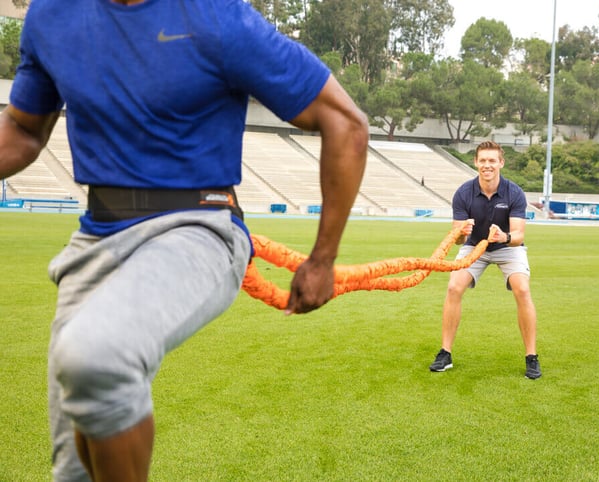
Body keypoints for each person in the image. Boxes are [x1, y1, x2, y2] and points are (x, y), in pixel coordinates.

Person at [0, 1, 368, 480]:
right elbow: (24, 128)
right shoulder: (53, 15)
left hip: (199, 227)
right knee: (74, 472)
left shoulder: (216, 16)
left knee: (95, 355)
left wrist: (322, 260)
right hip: (96, 236)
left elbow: (346, 121)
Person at [428, 140, 541, 379]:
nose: (487, 165)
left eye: (492, 160)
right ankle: (445, 353)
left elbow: (519, 236)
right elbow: (456, 239)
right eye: (482, 161)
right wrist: (461, 233)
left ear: (501, 162)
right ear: (476, 162)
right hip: (473, 246)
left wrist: (503, 236)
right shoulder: (463, 193)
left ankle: (531, 357)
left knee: (522, 289)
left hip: (507, 246)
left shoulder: (514, 193)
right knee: (453, 287)